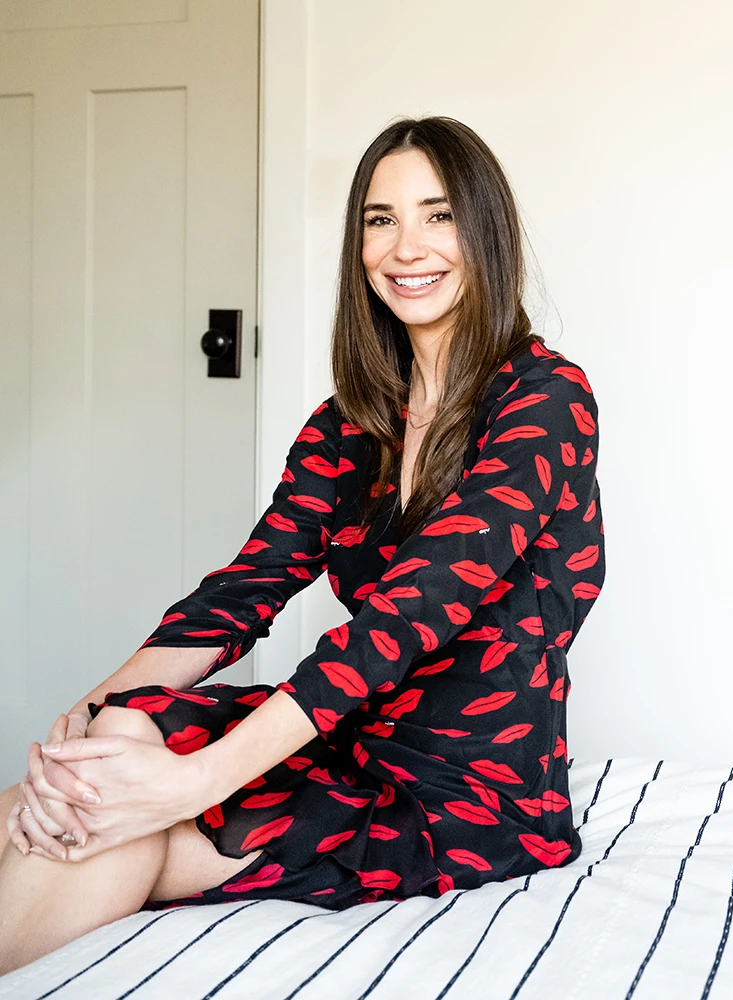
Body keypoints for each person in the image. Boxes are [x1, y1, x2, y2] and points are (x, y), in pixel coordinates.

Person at [0, 116, 605, 973]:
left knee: (98, 826)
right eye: (380, 219)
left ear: (487, 231)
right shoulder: (347, 423)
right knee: (109, 749)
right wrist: (80, 727)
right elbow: (245, 588)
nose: (407, 246)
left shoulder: (546, 400)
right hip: (347, 739)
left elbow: (402, 619)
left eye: (438, 215)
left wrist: (198, 782)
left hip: (467, 797)